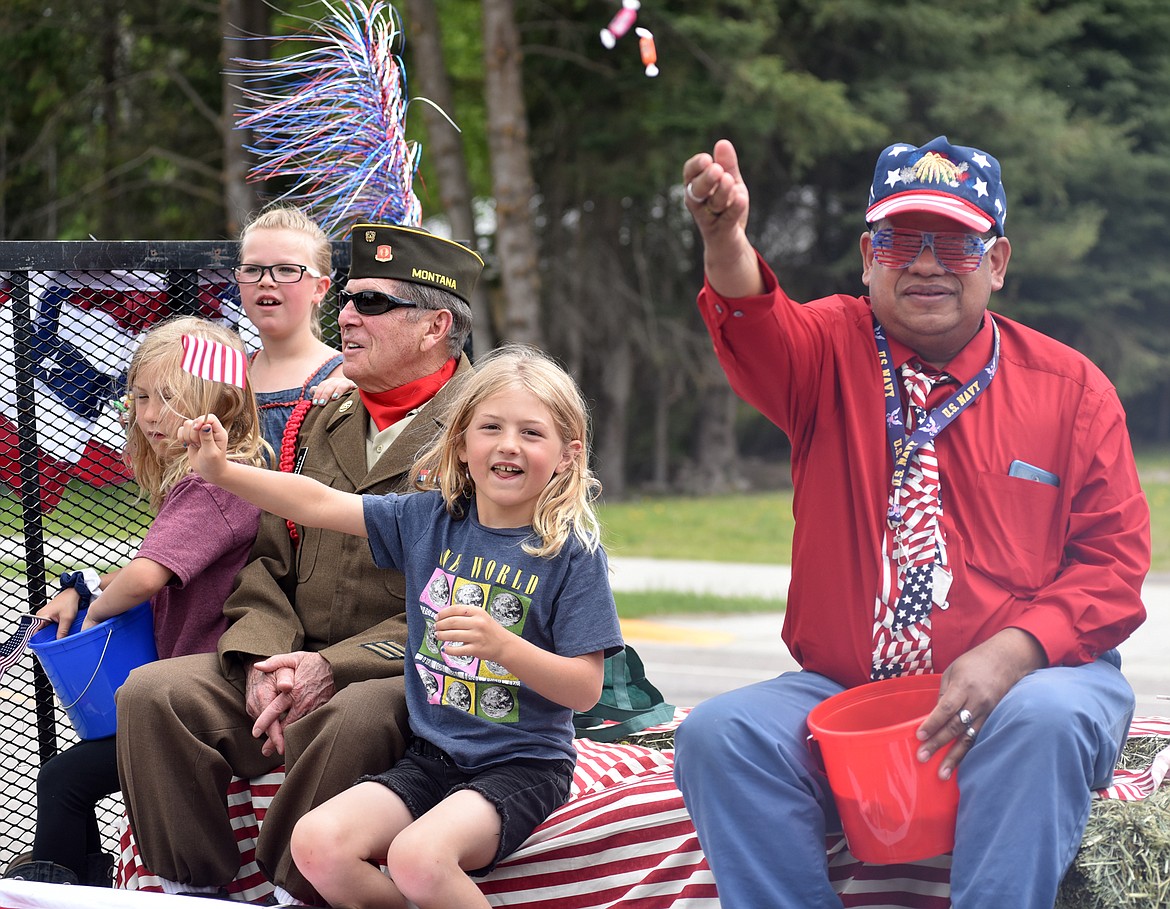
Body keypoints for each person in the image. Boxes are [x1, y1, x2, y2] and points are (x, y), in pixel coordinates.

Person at [672, 136, 1150, 909]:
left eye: (956, 243)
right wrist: (725, 237)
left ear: (996, 263)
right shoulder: (827, 349)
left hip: (1037, 684)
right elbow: (755, 320)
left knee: (1045, 717)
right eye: (900, 240)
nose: (926, 263)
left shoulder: (1074, 391)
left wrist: (1014, 650)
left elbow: (1113, 566)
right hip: (855, 694)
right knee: (718, 735)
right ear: (868, 257)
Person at [115, 223, 486, 903]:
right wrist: (262, 656)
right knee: (152, 694)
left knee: (351, 718)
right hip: (288, 658)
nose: (344, 314)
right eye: (346, 298)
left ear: (435, 325)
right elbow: (267, 562)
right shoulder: (325, 419)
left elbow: (468, 606)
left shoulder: (481, 431)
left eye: (371, 303)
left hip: (399, 671)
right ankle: (193, 890)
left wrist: (328, 666)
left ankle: (296, 890)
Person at [179, 343, 623, 909]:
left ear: (567, 454)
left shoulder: (571, 553)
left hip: (523, 765)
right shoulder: (428, 519)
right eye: (491, 427)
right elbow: (317, 502)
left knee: (419, 857)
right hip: (432, 757)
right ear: (462, 445)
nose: (509, 444)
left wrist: (503, 646)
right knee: (317, 845)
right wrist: (222, 471)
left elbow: (585, 691)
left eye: (532, 433)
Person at [3, 317, 265, 887]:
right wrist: (82, 587)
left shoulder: (214, 485)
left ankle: (66, 888)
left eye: (168, 398)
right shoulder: (215, 480)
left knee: (65, 780)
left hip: (212, 698)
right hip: (189, 688)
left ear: (216, 401)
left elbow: (147, 576)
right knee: (69, 778)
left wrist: (95, 612)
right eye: (141, 396)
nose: (147, 415)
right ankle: (82, 881)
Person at [233, 205, 355, 456]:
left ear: (319, 289)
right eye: (253, 269)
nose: (266, 280)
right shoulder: (230, 377)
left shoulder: (346, 376)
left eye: (287, 270)